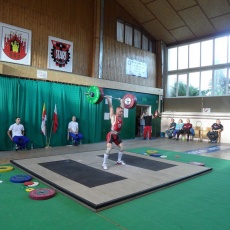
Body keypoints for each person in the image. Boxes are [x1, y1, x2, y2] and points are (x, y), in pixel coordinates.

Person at [102, 96, 125, 170]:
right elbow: (111, 107)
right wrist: (108, 99)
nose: (122, 112)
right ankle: (104, 164)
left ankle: (118, 161)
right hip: (111, 135)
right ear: (117, 111)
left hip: (116, 135)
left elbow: (122, 107)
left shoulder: (121, 117)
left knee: (122, 147)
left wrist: (121, 101)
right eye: (121, 111)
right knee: (109, 148)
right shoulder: (113, 116)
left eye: (122, 111)